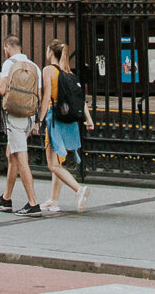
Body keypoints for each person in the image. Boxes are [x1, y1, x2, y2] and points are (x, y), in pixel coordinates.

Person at [0, 33, 43, 216]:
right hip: (29, 117)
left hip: (15, 117)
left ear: (8, 48)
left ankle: (33, 202)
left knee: (21, 157)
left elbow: (2, 89)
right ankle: (6, 198)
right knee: (11, 154)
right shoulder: (34, 67)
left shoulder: (9, 64)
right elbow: (38, 94)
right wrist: (36, 121)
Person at [40, 39, 92, 213]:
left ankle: (79, 190)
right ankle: (53, 200)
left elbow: (47, 96)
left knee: (52, 164)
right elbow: (80, 100)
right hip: (67, 120)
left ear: (50, 52)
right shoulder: (67, 71)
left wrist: (39, 120)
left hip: (54, 117)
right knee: (58, 163)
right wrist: (89, 119)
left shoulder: (48, 70)